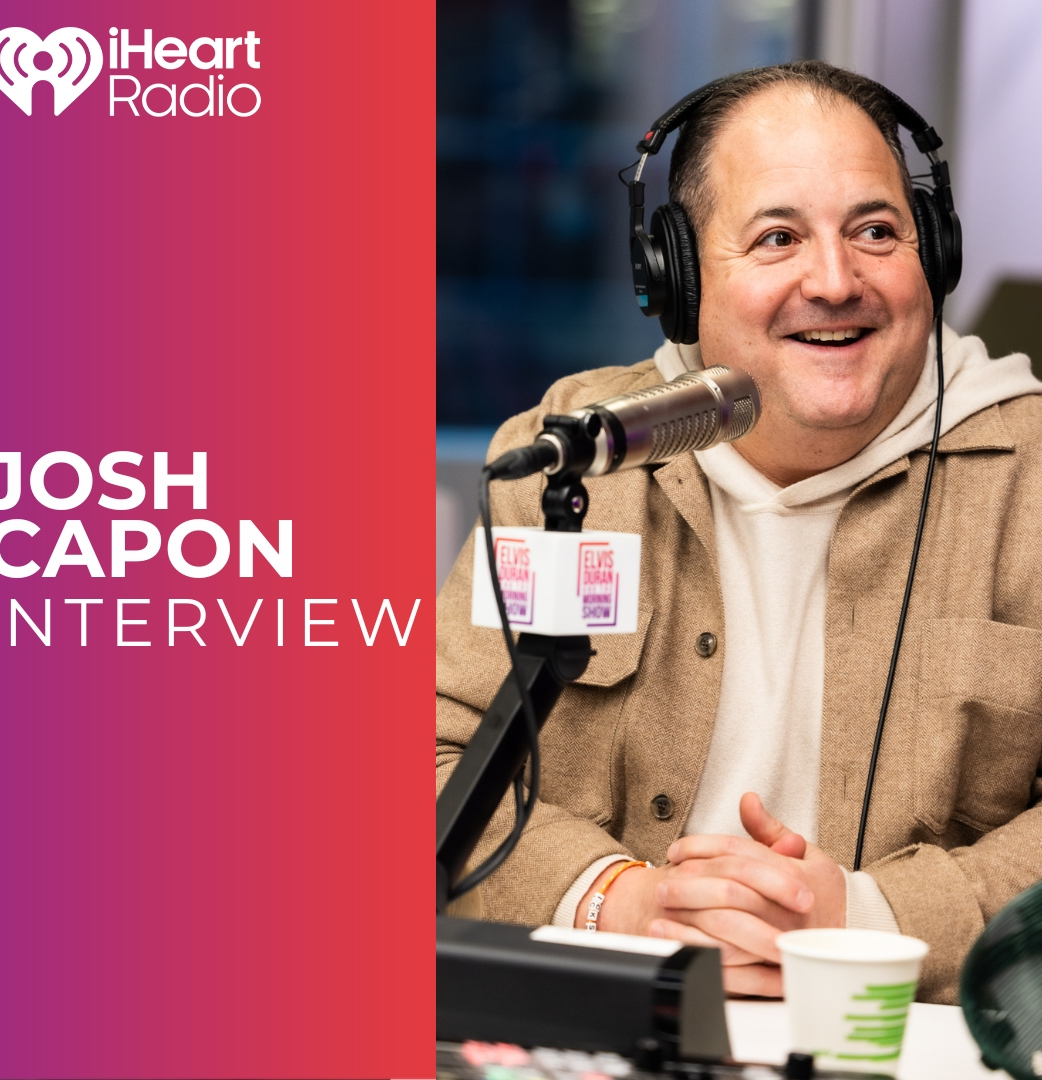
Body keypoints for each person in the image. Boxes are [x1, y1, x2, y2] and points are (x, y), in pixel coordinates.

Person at [436, 61, 1042, 1004]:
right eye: (777, 238)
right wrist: (619, 901)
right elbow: (436, 756)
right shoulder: (579, 464)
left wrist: (870, 917)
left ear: (934, 252)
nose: (834, 281)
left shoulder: (1031, 480)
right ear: (677, 278)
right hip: (607, 1025)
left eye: (876, 232)